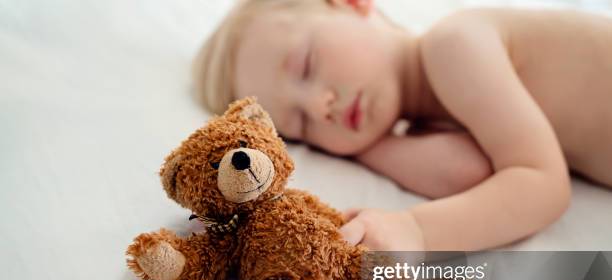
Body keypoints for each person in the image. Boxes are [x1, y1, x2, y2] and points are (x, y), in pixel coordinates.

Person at [193, 0, 612, 251]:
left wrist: (416, 230)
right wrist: (358, 143)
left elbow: (541, 186)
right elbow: (470, 173)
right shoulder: (427, 118)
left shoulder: (455, 44)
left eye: (307, 66)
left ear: (353, 3)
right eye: (302, 124)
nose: (321, 106)